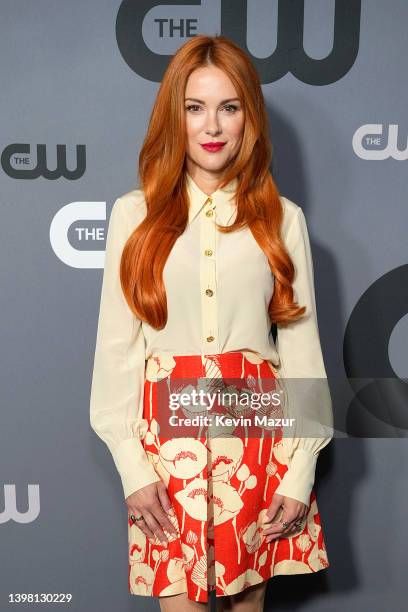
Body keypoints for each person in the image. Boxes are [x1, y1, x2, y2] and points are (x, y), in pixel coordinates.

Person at [89, 34, 333, 612]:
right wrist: (132, 465)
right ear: (174, 116)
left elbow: (302, 352)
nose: (212, 125)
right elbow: (117, 349)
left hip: (257, 441)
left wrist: (298, 473)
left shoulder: (281, 218)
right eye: (194, 107)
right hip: (164, 450)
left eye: (229, 106)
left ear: (249, 115)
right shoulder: (135, 215)